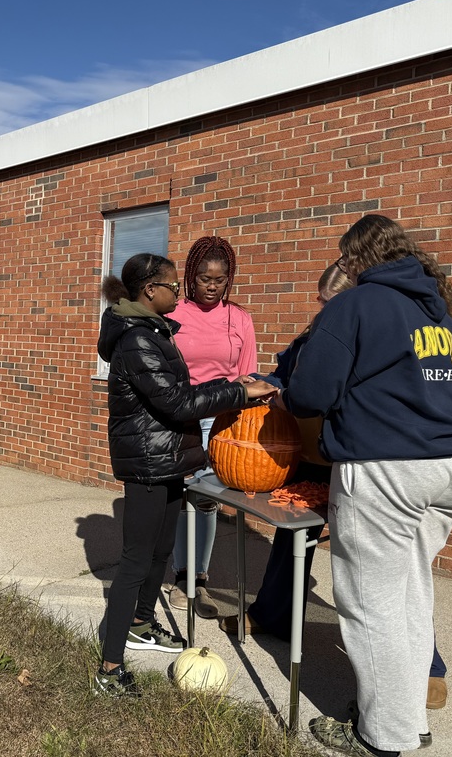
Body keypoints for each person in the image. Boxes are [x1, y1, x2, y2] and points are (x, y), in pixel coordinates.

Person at [284, 215, 452, 757]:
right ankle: (407, 716)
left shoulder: (356, 305)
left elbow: (310, 393)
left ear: (355, 259)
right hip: (451, 463)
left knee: (372, 603)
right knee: (411, 592)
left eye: (344, 259)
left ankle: (382, 736)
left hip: (389, 467)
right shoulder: (433, 308)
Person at [93, 253, 277, 697]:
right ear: (149, 291)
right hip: (148, 463)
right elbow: (176, 404)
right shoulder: (137, 339)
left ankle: (140, 622)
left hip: (170, 457)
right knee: (137, 559)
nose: (181, 292)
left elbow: (184, 392)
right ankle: (109, 669)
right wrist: (237, 391)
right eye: (174, 286)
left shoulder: (156, 331)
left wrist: (240, 390)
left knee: (160, 551)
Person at [218, 261, 353, 638]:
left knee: (381, 562)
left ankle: (427, 663)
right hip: (307, 456)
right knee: (290, 541)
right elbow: (283, 375)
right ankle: (271, 615)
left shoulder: (365, 333)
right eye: (321, 302)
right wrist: (260, 382)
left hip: (349, 458)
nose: (325, 311)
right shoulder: (313, 334)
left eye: (333, 302)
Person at [165, 236, 257, 619]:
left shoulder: (240, 319)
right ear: (191, 275)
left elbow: (248, 374)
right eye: (204, 277)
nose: (212, 285)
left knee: (205, 502)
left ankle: (196, 579)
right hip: (179, 417)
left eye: (220, 279)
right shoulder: (173, 314)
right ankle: (175, 571)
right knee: (177, 497)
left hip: (220, 422)